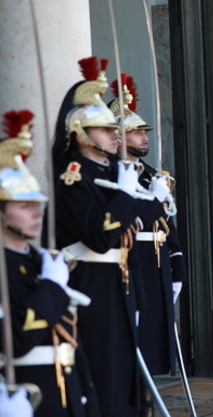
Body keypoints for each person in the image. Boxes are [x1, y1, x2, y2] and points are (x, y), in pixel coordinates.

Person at [51, 57, 146, 416]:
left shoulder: (105, 172)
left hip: (118, 284)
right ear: (81, 134)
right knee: (104, 375)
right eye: (105, 129)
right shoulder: (73, 178)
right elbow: (101, 236)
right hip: (90, 285)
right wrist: (124, 195)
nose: (114, 135)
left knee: (124, 375)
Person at [0, 109, 100, 416]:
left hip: (66, 390)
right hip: (26, 391)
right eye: (24, 205)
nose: (37, 213)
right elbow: (12, 339)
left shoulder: (39, 260)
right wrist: (53, 288)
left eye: (39, 204)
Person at [109, 74, 187, 415]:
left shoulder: (149, 171)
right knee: (132, 348)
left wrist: (178, 261)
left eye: (144, 132)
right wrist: (154, 203)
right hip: (133, 263)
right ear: (119, 136)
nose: (144, 137)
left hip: (156, 263)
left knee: (154, 346)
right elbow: (132, 215)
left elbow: (166, 222)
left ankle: (145, 402)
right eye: (138, 132)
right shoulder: (115, 171)